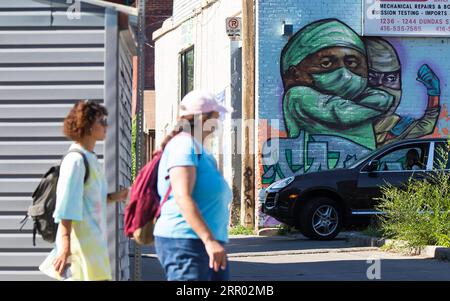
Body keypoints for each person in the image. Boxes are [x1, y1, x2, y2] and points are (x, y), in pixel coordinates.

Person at [39, 100, 129, 281]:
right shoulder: (76, 161)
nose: (106, 125)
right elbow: (66, 205)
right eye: (101, 121)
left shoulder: (91, 159)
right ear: (87, 126)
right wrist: (65, 247)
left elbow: (90, 200)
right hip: (80, 251)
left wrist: (118, 196)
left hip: (94, 248)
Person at [153, 90, 233, 281]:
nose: (219, 122)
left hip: (203, 242)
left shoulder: (198, 149)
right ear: (201, 118)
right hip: (186, 242)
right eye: (216, 116)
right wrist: (209, 240)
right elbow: (182, 196)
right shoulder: (183, 146)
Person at [281, 19, 394, 150]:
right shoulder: (298, 96)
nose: (345, 75)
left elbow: (378, 99)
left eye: (352, 63)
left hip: (359, 167)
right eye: (326, 63)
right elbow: (342, 113)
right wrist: (377, 103)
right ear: (295, 73)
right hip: (319, 167)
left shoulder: (356, 99)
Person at [364, 37, 441, 147]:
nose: (381, 87)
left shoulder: (395, 123)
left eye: (390, 78)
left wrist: (434, 93)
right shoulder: (347, 117)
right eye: (372, 77)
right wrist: (390, 136)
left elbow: (426, 127)